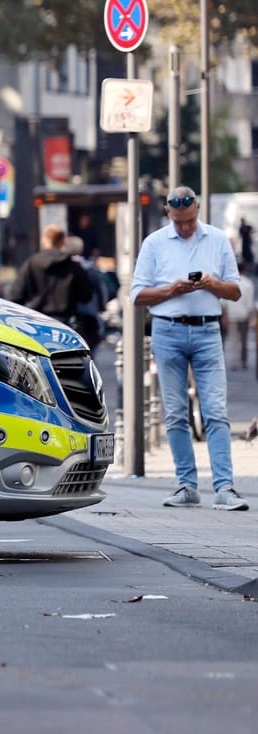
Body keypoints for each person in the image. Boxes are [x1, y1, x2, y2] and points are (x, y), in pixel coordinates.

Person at [130, 187, 249, 510]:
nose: (186, 227)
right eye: (180, 222)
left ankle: (225, 487)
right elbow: (137, 295)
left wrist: (212, 284)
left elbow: (235, 292)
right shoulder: (154, 243)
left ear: (197, 210)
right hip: (167, 330)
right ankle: (187, 485)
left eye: (191, 221)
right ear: (169, 213)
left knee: (216, 411)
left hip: (207, 329)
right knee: (175, 413)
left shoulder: (216, 239)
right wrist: (171, 290)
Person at [9, 224, 93, 330]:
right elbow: (86, 296)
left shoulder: (32, 263)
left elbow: (15, 296)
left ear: (43, 241)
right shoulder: (73, 266)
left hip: (35, 323)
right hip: (64, 324)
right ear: (63, 242)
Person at [63, 235, 108, 350]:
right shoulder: (89, 268)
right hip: (89, 313)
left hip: (69, 314)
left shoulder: (62, 268)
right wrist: (102, 306)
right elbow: (100, 291)